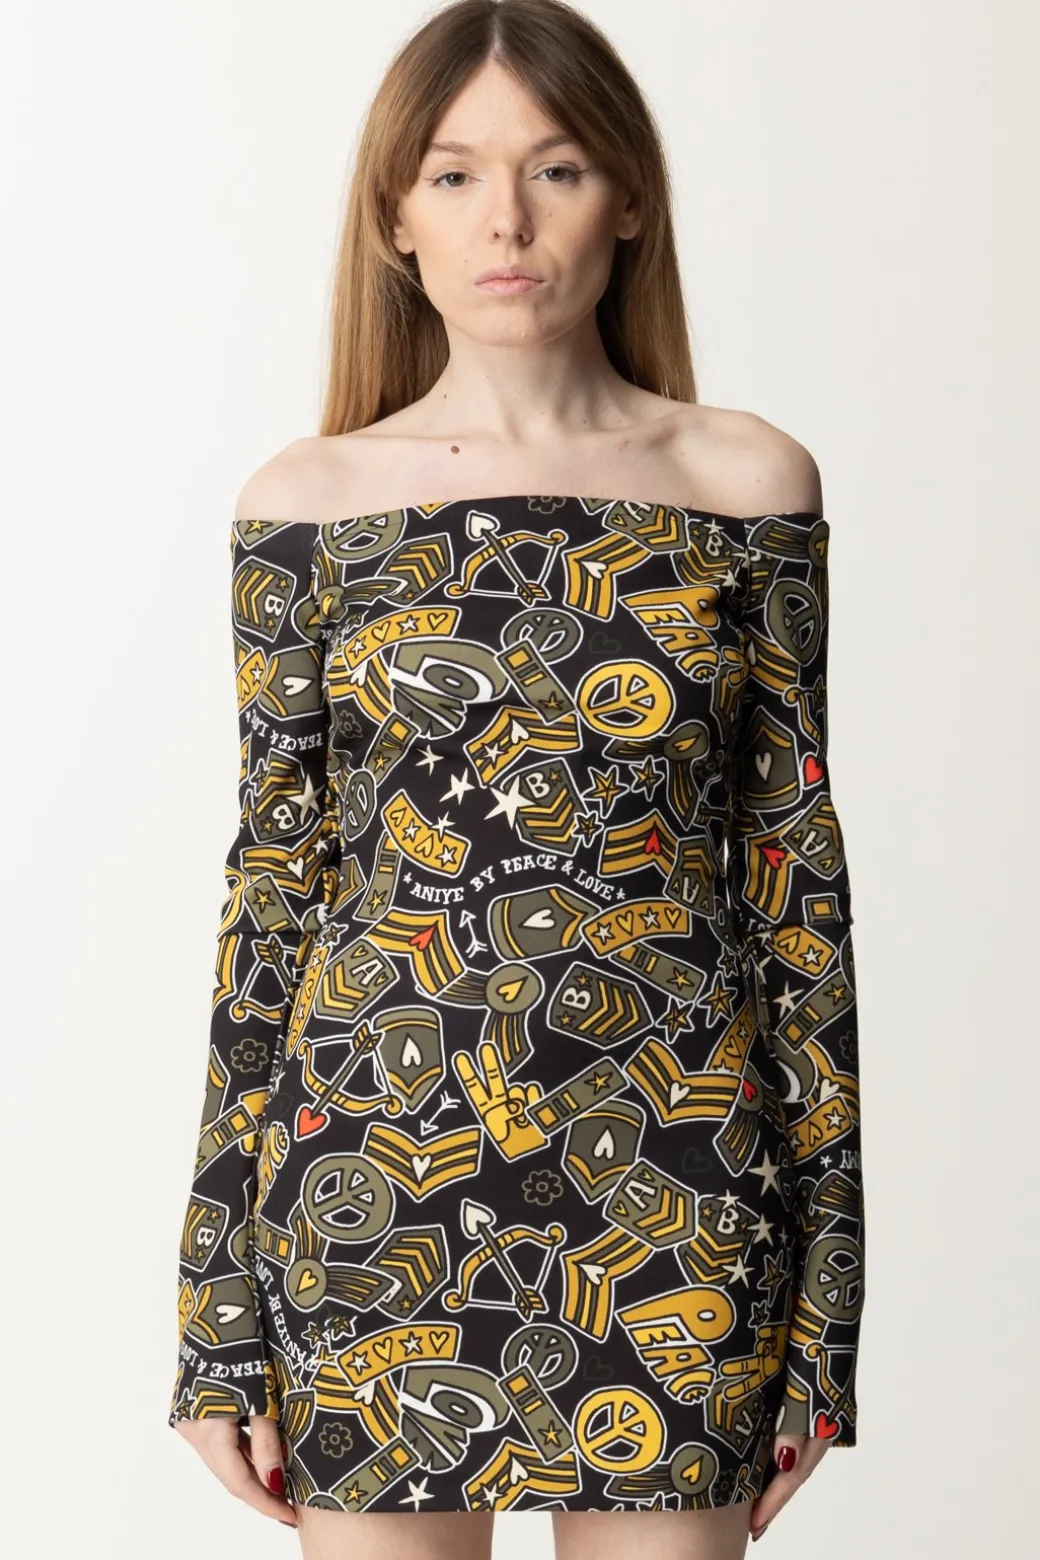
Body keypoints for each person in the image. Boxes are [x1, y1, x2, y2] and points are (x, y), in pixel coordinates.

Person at [168, 3, 866, 1556]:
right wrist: (216, 1315)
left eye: (555, 169)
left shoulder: (746, 486)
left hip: (678, 1183)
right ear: (395, 219)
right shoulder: (306, 509)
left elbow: (797, 894)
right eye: (455, 175)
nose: (506, 221)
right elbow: (272, 894)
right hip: (370, 1179)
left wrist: (829, 1313)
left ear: (628, 199)